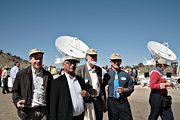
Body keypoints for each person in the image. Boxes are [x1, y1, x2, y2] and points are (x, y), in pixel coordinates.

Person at [12, 48, 53, 120]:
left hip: (44, 111)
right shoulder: (21, 74)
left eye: (40, 58)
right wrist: (17, 101)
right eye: (36, 58)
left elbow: (52, 92)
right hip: (28, 111)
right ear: (30, 59)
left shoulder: (48, 75)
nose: (38, 61)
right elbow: (15, 91)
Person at [49, 55, 90, 120]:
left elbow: (87, 98)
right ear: (63, 64)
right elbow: (53, 106)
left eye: (74, 63)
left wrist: (87, 95)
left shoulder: (81, 80)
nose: (72, 65)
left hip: (80, 117)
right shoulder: (56, 83)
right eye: (69, 63)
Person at [75, 48, 106, 120]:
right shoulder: (79, 69)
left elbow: (100, 86)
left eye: (95, 56)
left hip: (98, 101)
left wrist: (103, 103)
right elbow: (77, 87)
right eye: (91, 56)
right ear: (86, 57)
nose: (93, 58)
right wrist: (89, 92)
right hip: (86, 102)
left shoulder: (99, 70)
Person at [103, 53, 134, 120]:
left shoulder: (126, 75)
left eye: (118, 60)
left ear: (121, 61)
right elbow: (102, 89)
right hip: (112, 103)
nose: (116, 62)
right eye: (114, 61)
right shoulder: (107, 75)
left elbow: (131, 87)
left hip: (123, 102)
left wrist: (125, 90)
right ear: (110, 62)